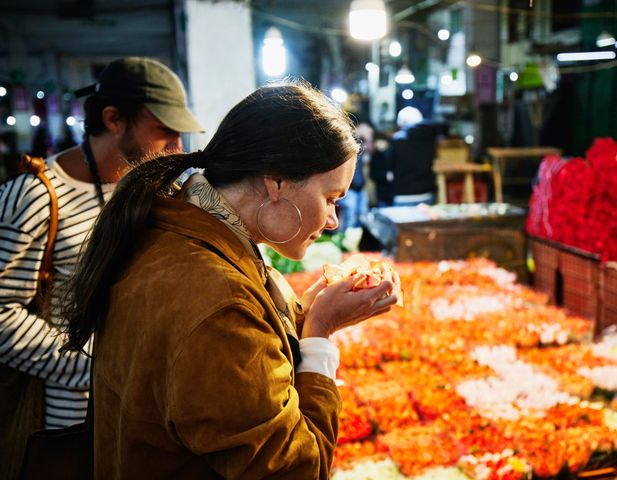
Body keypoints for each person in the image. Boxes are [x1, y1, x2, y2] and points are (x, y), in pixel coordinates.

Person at [61, 80, 398, 478]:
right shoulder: (219, 301)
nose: (332, 221)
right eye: (330, 198)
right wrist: (320, 332)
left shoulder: (175, 230)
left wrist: (304, 314)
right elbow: (295, 470)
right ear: (276, 183)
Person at [0, 57, 202, 478]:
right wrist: (100, 361)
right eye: (164, 131)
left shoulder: (157, 191)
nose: (178, 146)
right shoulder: (35, 197)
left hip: (149, 416)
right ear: (113, 118)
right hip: (70, 424)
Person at [386, 106, 441, 206]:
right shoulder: (431, 137)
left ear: (402, 123)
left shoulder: (397, 139)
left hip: (403, 195)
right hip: (427, 193)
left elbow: (389, 169)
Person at [338, 121, 371, 230]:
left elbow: (370, 148)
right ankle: (346, 245)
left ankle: (360, 244)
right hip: (349, 189)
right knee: (350, 219)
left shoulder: (360, 143)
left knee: (364, 217)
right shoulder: (345, 143)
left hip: (360, 188)